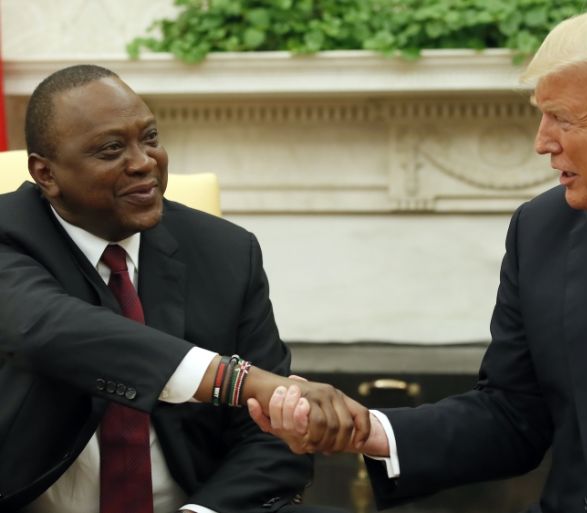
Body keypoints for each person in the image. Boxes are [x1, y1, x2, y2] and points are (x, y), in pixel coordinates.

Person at [258, 6, 587, 513]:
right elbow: (512, 414)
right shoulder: (543, 229)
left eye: (563, 119)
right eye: (541, 114)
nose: (542, 143)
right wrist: (367, 429)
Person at [0, 64, 368, 513]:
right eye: (112, 148)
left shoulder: (226, 252)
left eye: (150, 138)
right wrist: (242, 381)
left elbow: (269, 439)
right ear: (46, 173)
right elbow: (50, 330)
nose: (144, 162)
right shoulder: (8, 234)